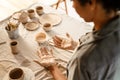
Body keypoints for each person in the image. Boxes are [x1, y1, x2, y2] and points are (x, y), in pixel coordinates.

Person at [35, 0, 120, 80]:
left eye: (73, 1)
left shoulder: (83, 60)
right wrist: (76, 45)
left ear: (91, 3)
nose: (72, 6)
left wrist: (52, 67)